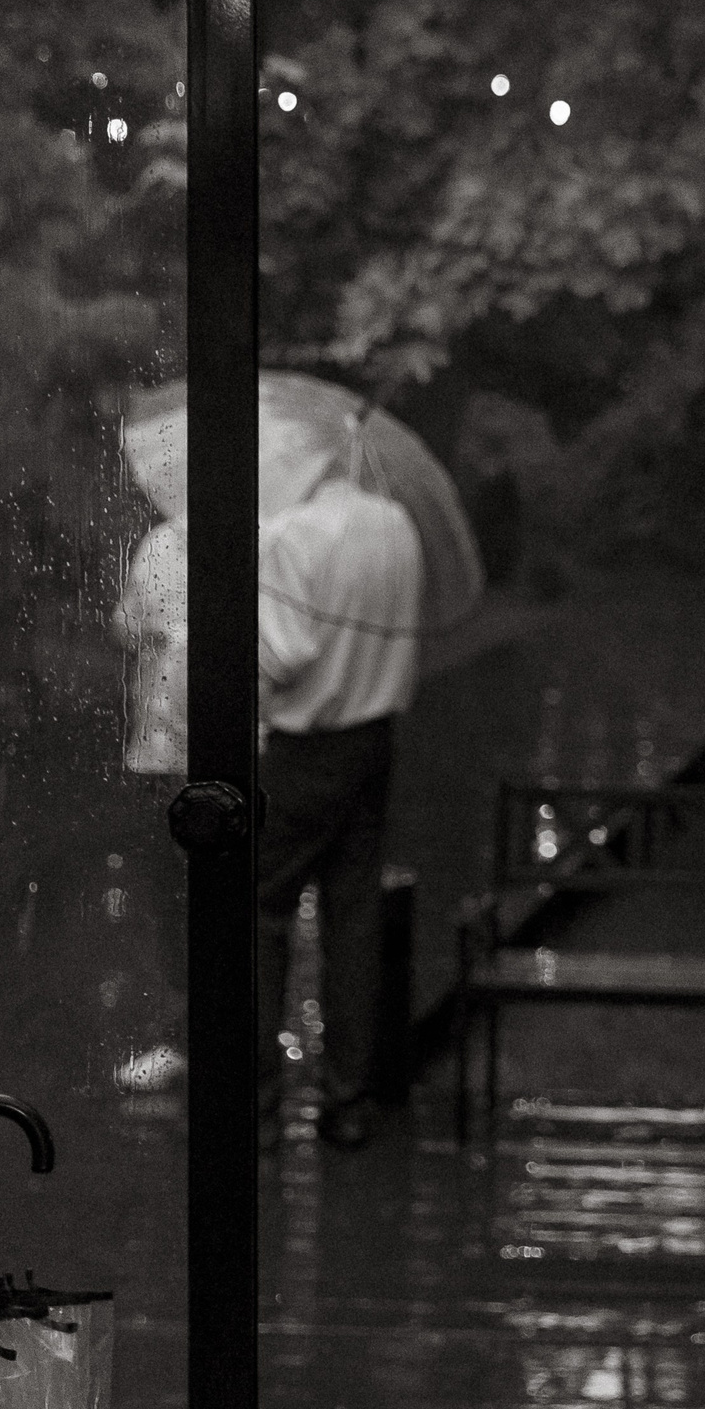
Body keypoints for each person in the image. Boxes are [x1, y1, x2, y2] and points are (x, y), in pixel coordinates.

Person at [256, 406, 426, 1152]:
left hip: (302, 746)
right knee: (353, 915)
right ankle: (348, 1098)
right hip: (374, 740)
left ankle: (254, 1097)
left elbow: (284, 655)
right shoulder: (395, 524)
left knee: (259, 915)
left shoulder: (291, 537)